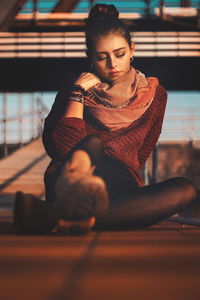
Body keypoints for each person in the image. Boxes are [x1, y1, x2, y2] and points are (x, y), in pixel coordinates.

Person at [14, 3, 199, 234]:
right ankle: (85, 210)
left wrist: (119, 179)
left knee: (186, 189)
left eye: (120, 54)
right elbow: (60, 147)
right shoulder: (73, 92)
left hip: (120, 187)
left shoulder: (155, 96)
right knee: (93, 144)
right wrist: (77, 92)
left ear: (132, 49)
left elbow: (140, 155)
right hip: (71, 182)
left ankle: (55, 215)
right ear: (89, 57)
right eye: (102, 57)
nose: (113, 64)